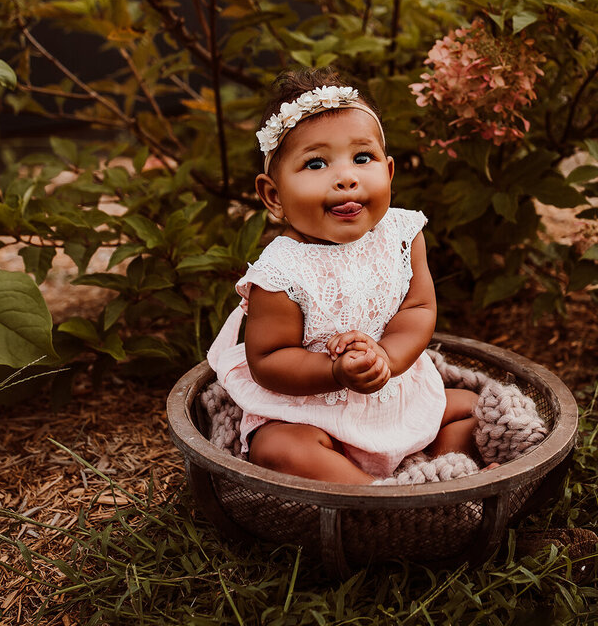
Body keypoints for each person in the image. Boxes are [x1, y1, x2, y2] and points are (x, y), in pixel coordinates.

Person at [206, 68, 481, 484]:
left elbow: (418, 308)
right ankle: (373, 496)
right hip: (315, 410)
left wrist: (387, 357)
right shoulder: (281, 272)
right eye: (316, 163)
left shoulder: (402, 235)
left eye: (362, 158)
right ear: (274, 195)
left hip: (391, 390)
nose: (346, 177)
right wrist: (335, 372)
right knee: (277, 448)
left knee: (472, 409)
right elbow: (267, 359)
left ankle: (438, 473)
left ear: (388, 173)